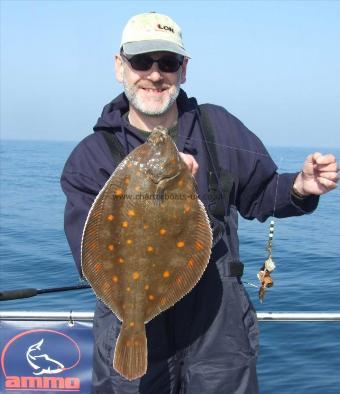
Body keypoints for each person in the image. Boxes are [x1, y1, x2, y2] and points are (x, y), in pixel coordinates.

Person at [60, 12, 338, 394]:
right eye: (141, 61)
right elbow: (85, 254)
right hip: (131, 327)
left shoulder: (217, 126)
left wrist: (302, 186)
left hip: (217, 330)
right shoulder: (90, 158)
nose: (155, 74)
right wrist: (165, 202)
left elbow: (262, 194)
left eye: (168, 63)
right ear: (119, 66)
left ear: (184, 69)